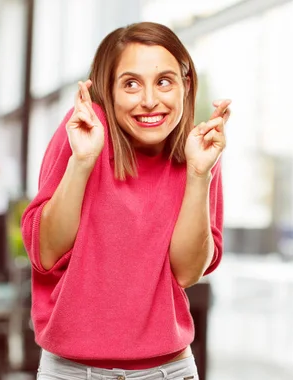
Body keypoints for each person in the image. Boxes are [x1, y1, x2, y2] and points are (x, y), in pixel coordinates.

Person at [21, 21, 230, 380]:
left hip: (168, 370)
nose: (150, 100)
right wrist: (82, 162)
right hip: (72, 372)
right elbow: (44, 252)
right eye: (131, 84)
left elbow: (187, 272)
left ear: (186, 85)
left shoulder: (198, 150)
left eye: (164, 81)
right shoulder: (85, 130)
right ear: (109, 90)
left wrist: (198, 175)